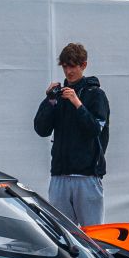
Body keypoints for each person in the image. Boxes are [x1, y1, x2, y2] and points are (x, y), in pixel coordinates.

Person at [33, 43, 110, 226]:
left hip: (87, 175)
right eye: (65, 66)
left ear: (83, 65)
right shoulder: (57, 96)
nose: (69, 71)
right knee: (62, 234)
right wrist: (49, 101)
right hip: (59, 174)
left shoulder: (96, 94)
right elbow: (41, 129)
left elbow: (94, 130)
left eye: (73, 66)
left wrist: (78, 104)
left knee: (92, 235)